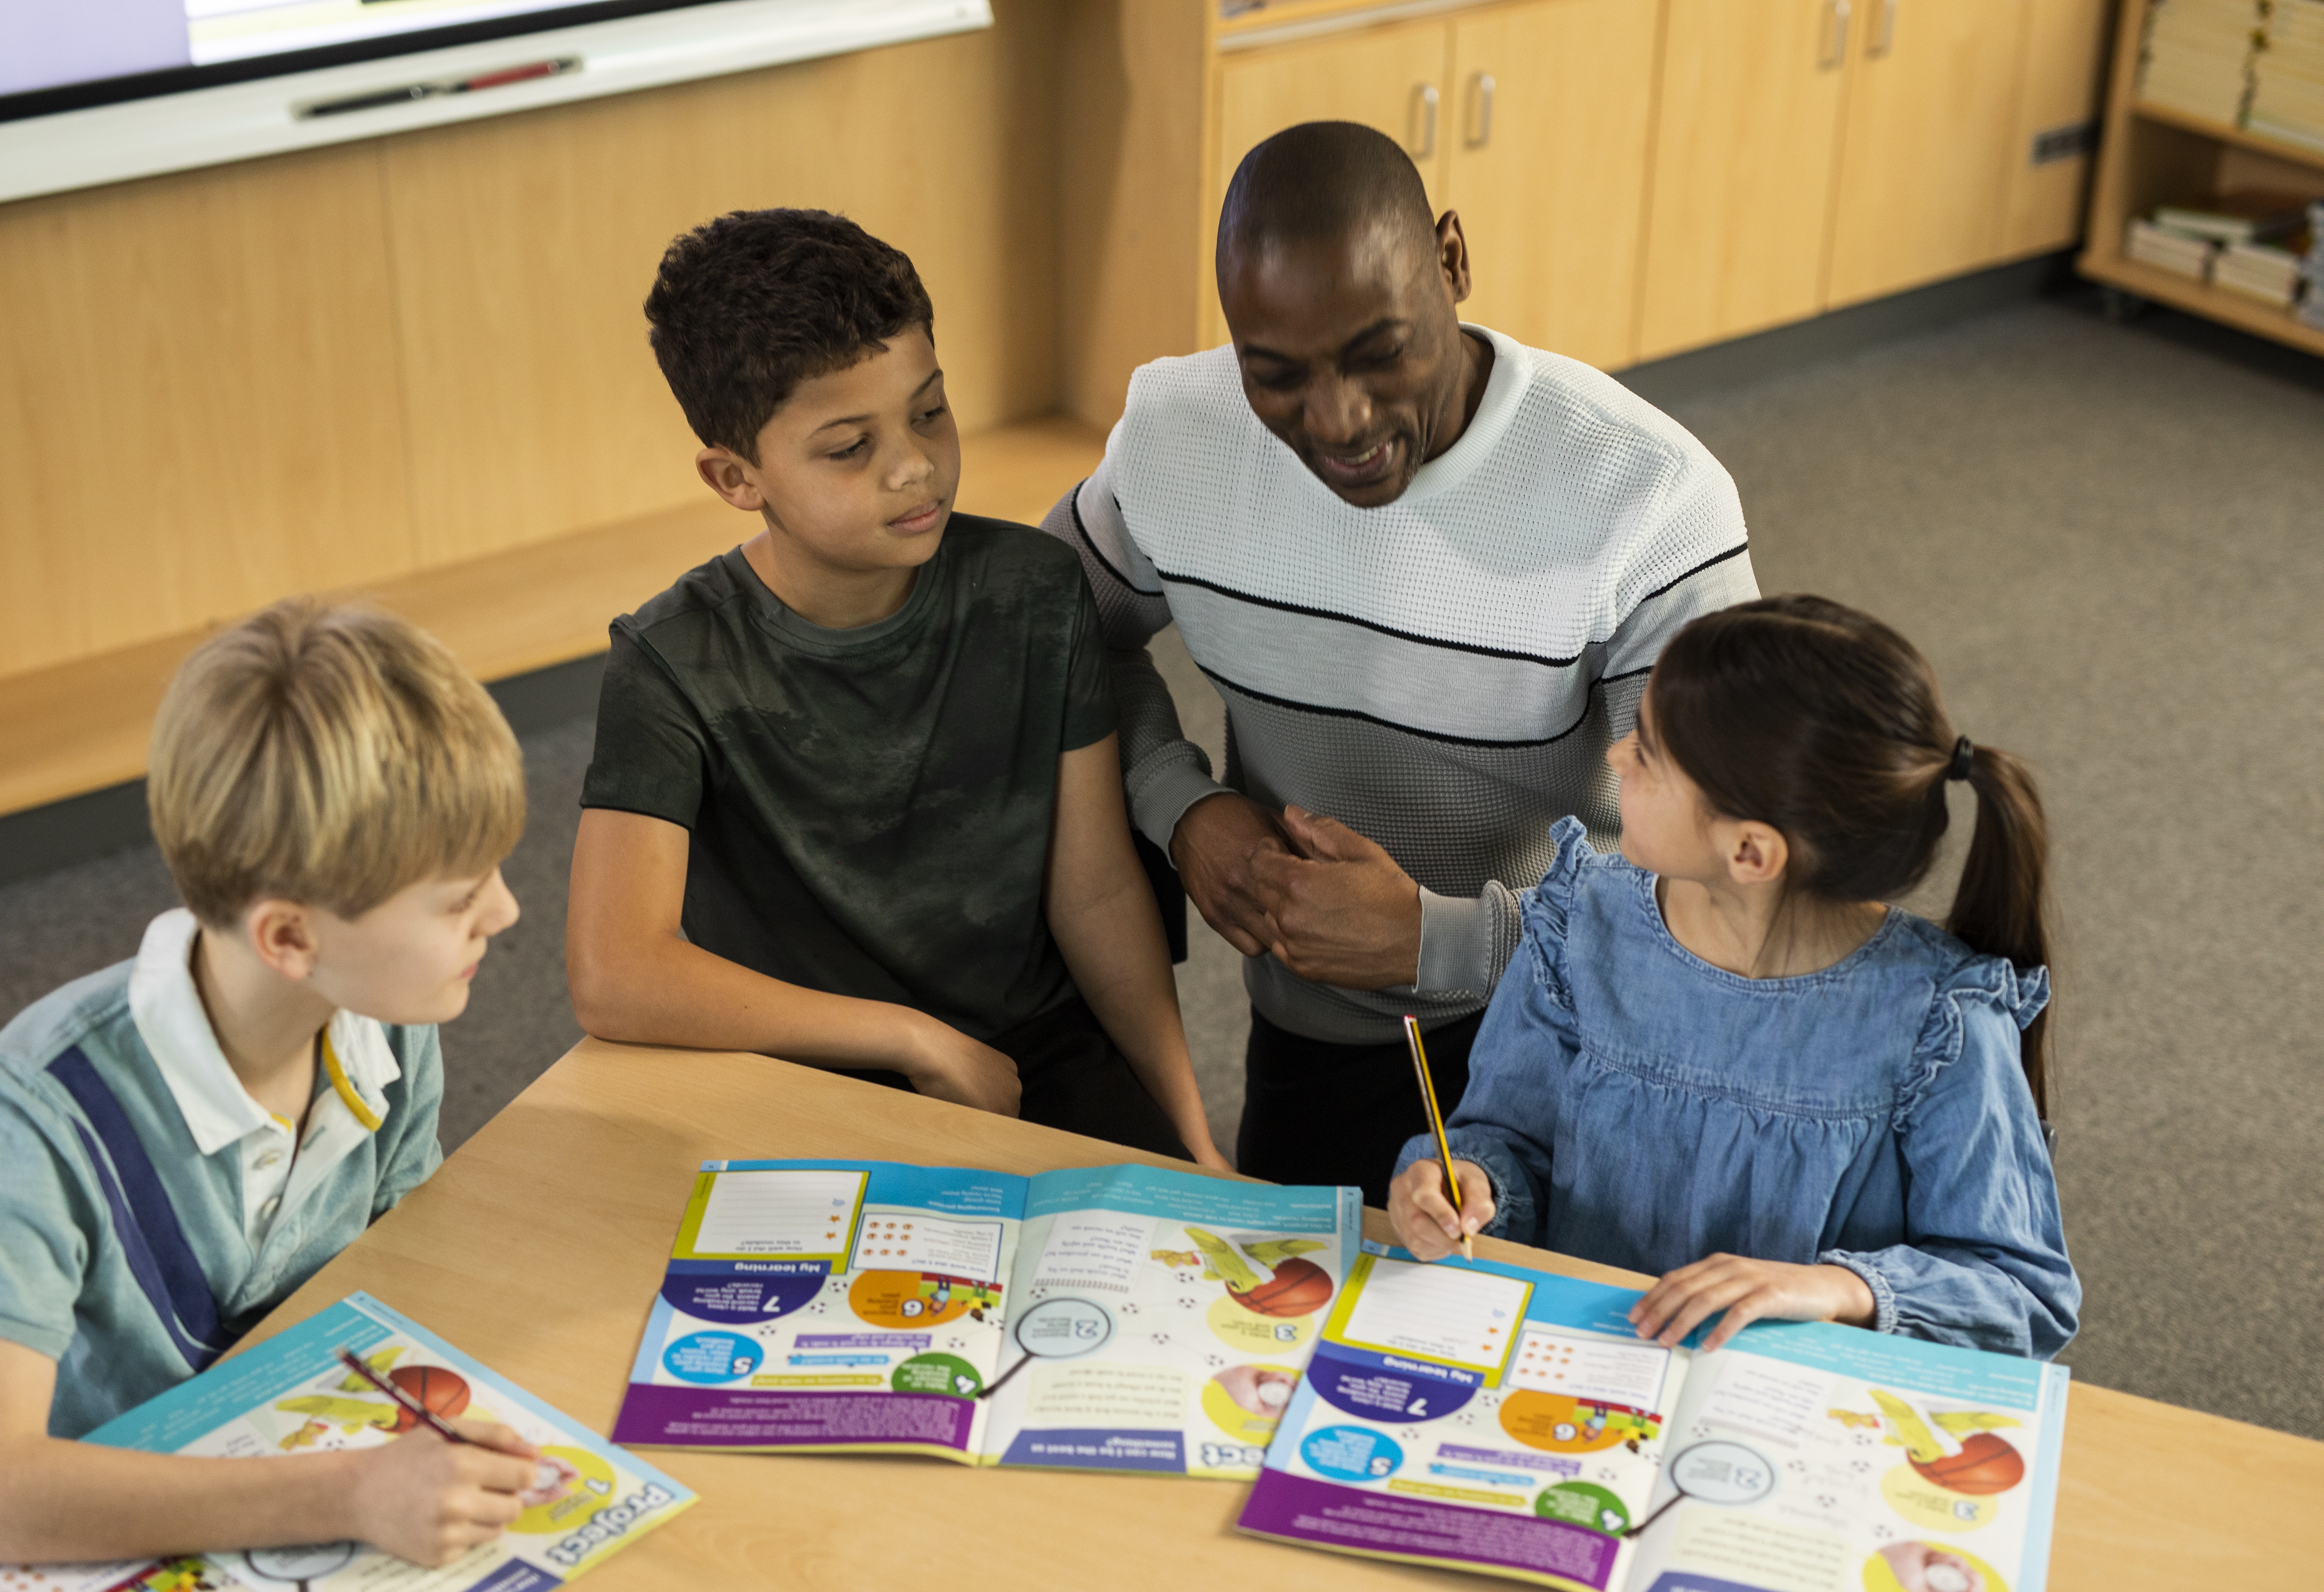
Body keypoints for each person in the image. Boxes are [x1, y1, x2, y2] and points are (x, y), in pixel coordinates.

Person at [1044, 121, 1754, 1202]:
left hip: (1582, 1033)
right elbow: (1047, 634)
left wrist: (1440, 941)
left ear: (1455, 262)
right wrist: (1182, 809)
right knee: (1286, 1346)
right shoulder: (1177, 438)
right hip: (1315, 1024)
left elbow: (1726, 884)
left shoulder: (1649, 497)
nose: (1338, 420)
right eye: (1275, 375)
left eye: (1380, 353)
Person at [569, 208, 1222, 1167]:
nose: (915, 465)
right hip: (791, 1076)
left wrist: (1193, 1137)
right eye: (849, 448)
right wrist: (909, 1036)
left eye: (929, 411)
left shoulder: (1039, 592)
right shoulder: (672, 662)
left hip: (1026, 1055)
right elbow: (616, 972)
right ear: (736, 477)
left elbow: (1093, 894)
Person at [0, 600, 544, 1566]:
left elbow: (406, 1282)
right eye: (460, 899)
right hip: (127, 1541)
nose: (506, 910)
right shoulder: (33, 1116)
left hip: (318, 1464)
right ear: (292, 937)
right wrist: (353, 1492)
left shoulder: (386, 1022)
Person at [1389, 596, 2080, 1360]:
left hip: (1790, 1415)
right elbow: (1506, 1140)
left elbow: (2022, 1291)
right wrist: (1467, 1183)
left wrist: (1839, 1288)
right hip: (1578, 1373)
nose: (1616, 754)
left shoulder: (1939, 1020)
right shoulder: (1577, 925)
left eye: (1648, 753)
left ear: (1751, 852)